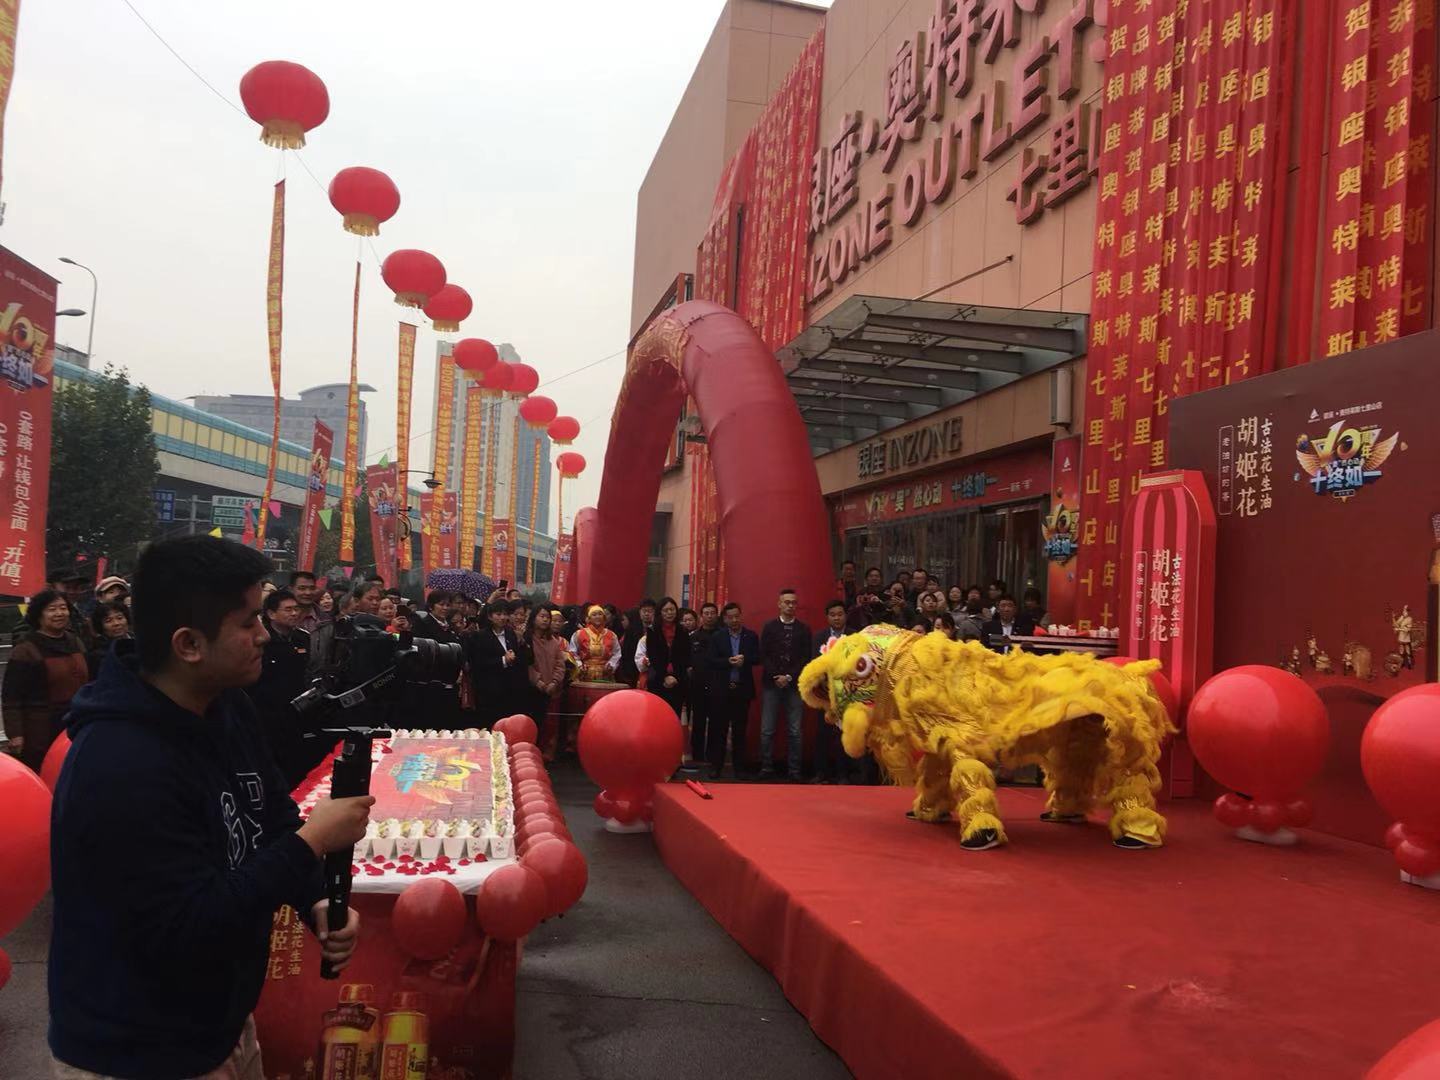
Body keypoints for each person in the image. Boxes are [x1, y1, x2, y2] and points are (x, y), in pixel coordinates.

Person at [48, 536, 370, 1078]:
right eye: (248, 623)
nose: (264, 635)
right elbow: (190, 924)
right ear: (189, 644)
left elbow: (268, 814)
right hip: (138, 1050)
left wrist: (314, 898)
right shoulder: (119, 764)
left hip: (220, 1025)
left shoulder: (226, 706)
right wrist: (312, 842)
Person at [2, 590, 90, 771]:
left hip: (75, 723)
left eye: (63, 608)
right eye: (52, 609)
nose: (59, 613)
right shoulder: (26, 649)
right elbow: (11, 696)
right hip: (40, 730)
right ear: (39, 614)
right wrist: (16, 734)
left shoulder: (76, 642)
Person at [247, 588, 324, 788]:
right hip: (266, 714)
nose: (294, 613)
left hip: (297, 711)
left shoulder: (302, 637)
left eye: (296, 609)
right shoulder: (262, 641)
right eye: (288, 610)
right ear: (271, 614)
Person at [759, 588, 812, 781]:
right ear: (779, 604)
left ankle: (794, 771)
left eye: (793, 602)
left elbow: (806, 657)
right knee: (767, 729)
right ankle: (766, 768)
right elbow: (763, 654)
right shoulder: (769, 627)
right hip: (771, 684)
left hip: (794, 685)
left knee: (795, 730)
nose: (790, 605)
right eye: (786, 602)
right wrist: (777, 676)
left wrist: (789, 676)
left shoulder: (804, 629)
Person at [705, 602, 759, 780]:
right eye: (730, 617)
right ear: (725, 619)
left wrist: (746, 660)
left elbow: (757, 657)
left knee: (739, 731)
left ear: (741, 615)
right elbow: (711, 660)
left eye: (737, 616)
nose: (734, 620)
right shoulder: (717, 637)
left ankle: (739, 768)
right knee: (718, 730)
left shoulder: (750, 636)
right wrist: (728, 661)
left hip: (742, 690)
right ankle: (716, 767)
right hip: (721, 690)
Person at [811, 600, 852, 784]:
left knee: (844, 733)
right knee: (823, 733)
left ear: (845, 615)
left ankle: (843, 774)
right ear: (827, 617)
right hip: (824, 692)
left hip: (848, 692)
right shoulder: (819, 637)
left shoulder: (854, 637)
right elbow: (814, 663)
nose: (837, 618)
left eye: (840, 614)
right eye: (833, 615)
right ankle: (821, 773)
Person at [468, 598, 524, 725]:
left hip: (509, 689)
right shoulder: (481, 636)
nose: (502, 617)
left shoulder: (511, 634)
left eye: (505, 614)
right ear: (490, 616)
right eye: (498, 614)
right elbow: (478, 663)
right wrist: (503, 660)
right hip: (489, 690)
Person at [636, 597, 690, 723]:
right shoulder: (653, 631)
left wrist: (675, 677)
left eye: (672, 610)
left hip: (678, 680)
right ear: (660, 612)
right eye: (666, 610)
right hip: (658, 680)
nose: (669, 613)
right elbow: (654, 657)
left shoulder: (682, 631)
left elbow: (686, 656)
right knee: (657, 717)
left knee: (674, 718)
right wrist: (664, 677)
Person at [525, 607, 567, 759]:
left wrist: (554, 682)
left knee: (546, 724)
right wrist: (539, 682)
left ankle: (543, 755)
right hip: (531, 689)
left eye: (547, 617)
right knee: (531, 724)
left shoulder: (554, 642)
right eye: (542, 616)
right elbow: (526, 665)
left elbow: (560, 665)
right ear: (533, 618)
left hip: (550, 689)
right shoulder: (526, 639)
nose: (545, 620)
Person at [685, 602, 720, 772]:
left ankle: (713, 757)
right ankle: (697, 757)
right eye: (706, 613)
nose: (709, 616)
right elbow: (687, 659)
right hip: (697, 684)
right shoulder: (693, 637)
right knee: (698, 722)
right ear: (701, 616)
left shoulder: (722, 636)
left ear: (717, 615)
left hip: (717, 684)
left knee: (715, 722)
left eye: (712, 613)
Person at [571, 605, 622, 681]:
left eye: (600, 614)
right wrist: (579, 665)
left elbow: (617, 653)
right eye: (594, 615)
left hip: (605, 673)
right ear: (589, 619)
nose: (597, 617)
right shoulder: (579, 634)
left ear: (604, 617)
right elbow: (573, 652)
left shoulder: (611, 635)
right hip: (585, 672)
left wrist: (611, 664)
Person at [86, 600, 133, 680]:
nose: (116, 623)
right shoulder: (98, 656)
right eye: (108, 621)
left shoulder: (139, 643)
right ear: (101, 626)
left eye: (119, 618)